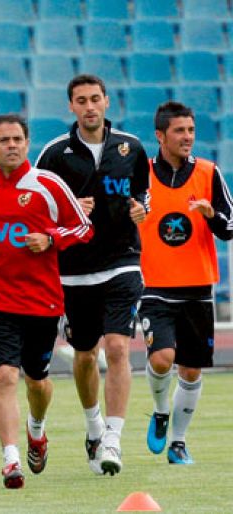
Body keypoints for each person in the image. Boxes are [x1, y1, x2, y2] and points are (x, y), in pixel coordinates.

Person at [0, 114, 93, 488]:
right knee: (4, 375)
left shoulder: (48, 185)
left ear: (27, 142)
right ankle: (10, 460)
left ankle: (37, 430)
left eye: (18, 138)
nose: (12, 145)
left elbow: (84, 226)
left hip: (41, 302)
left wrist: (50, 238)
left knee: (37, 382)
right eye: (4, 140)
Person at [36, 74, 150, 476]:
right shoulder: (54, 154)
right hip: (73, 271)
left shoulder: (132, 148)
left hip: (122, 261)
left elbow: (142, 195)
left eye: (95, 99)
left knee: (118, 348)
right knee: (86, 356)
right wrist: (68, 213)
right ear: (71, 106)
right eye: (81, 100)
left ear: (107, 102)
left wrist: (141, 209)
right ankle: (93, 426)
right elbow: (36, 211)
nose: (89, 106)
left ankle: (114, 440)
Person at [139, 101, 233, 464]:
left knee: (190, 370)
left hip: (197, 287)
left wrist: (212, 217)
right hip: (154, 285)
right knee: (162, 358)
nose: (188, 137)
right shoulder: (141, 174)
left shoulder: (209, 173)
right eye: (180, 131)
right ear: (160, 135)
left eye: (191, 131)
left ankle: (178, 442)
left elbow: (229, 227)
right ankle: (161, 409)